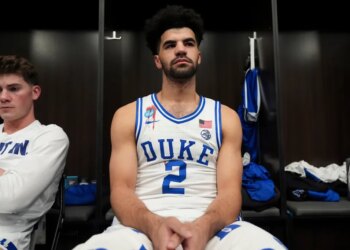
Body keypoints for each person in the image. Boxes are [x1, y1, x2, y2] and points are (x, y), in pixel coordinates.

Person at [74, 5, 286, 250]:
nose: (180, 49)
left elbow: (230, 194)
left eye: (188, 43)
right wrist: (155, 226)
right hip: (140, 226)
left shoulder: (225, 118)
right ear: (157, 60)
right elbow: (121, 192)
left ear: (199, 55)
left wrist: (202, 227)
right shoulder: (128, 115)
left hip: (215, 227)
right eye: (170, 45)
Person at [0, 55, 69, 250]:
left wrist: (11, 183)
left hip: (8, 236)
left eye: (13, 89)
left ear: (35, 92)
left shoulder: (50, 136)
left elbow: (11, 198)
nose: (3, 97)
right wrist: (8, 175)